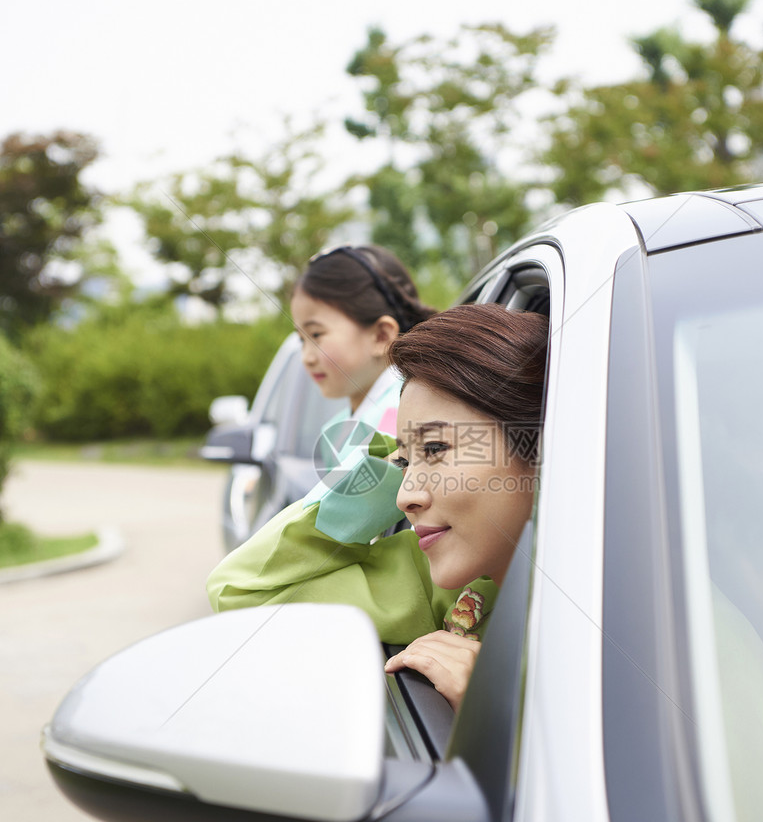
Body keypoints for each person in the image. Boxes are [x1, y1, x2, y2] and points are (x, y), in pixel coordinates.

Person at [207, 304, 549, 710]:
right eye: (403, 464)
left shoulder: (623, 606)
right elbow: (240, 592)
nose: (404, 496)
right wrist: (384, 470)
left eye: (437, 448)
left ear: (538, 446)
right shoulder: (442, 585)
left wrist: (494, 706)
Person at [291, 244, 435, 437]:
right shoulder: (346, 426)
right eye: (302, 340)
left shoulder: (403, 419)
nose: (306, 358)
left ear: (381, 336)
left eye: (316, 335)